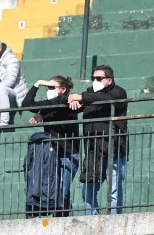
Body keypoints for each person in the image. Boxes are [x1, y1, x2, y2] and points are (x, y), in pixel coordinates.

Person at [68, 65, 128, 215]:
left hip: (114, 150)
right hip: (93, 152)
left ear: (109, 80)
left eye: (99, 78)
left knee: (114, 192)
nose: (95, 81)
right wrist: (71, 100)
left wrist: (81, 97)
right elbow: (73, 105)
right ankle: (92, 219)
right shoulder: (89, 94)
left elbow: (107, 99)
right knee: (87, 191)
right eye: (93, 78)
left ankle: (114, 222)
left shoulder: (118, 92)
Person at [22, 75, 80, 216]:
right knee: (56, 193)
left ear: (63, 89)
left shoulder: (67, 102)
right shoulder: (48, 106)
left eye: (52, 87)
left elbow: (59, 103)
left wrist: (42, 112)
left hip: (68, 154)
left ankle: (65, 222)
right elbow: (27, 104)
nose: (49, 90)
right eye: (48, 87)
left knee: (62, 191)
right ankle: (65, 221)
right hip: (51, 155)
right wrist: (37, 83)